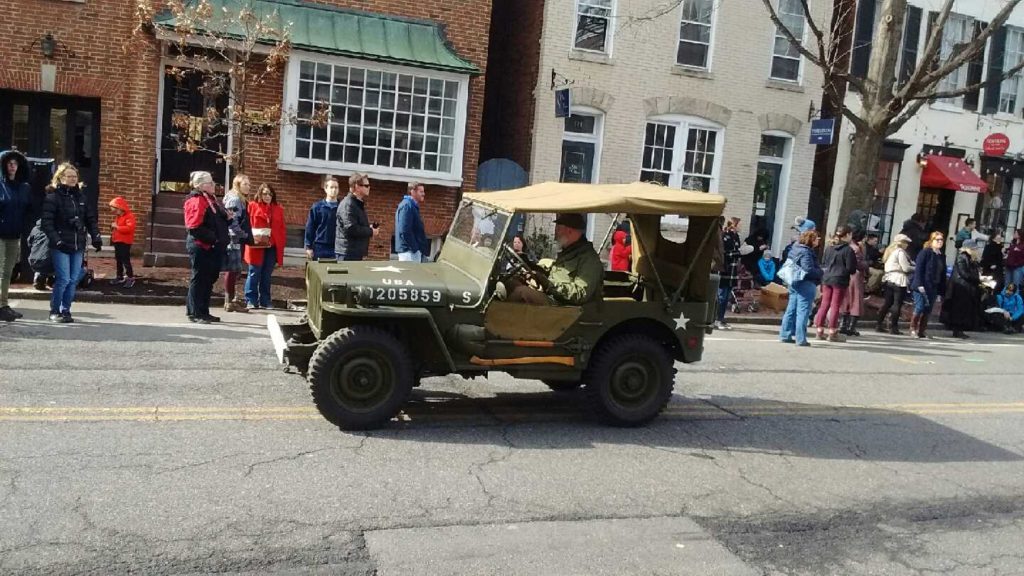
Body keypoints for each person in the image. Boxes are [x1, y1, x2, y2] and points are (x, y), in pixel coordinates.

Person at [40, 162, 101, 323]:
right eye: (69, 176)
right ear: (61, 178)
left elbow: (90, 219)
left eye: (75, 176)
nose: (73, 179)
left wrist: (96, 236)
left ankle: (66, 310)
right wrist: (57, 241)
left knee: (74, 279)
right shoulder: (53, 197)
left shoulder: (81, 197)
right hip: (61, 244)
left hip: (78, 244)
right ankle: (55, 310)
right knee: (64, 279)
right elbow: (47, 223)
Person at [506, 213, 603, 305]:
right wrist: (532, 267)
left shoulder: (589, 259)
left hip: (565, 308)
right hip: (553, 297)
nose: (555, 233)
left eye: (558, 229)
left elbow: (580, 293)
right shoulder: (569, 253)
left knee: (522, 292)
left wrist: (549, 285)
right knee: (511, 283)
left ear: (569, 231)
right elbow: (554, 274)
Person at [183, 171, 229, 324]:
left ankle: (204, 311)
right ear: (201, 185)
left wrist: (226, 219)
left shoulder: (210, 199)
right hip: (201, 246)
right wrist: (214, 239)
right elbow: (194, 227)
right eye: (210, 183)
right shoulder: (196, 200)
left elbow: (215, 221)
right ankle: (195, 312)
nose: (213, 185)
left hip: (211, 246)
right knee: (200, 278)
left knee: (208, 279)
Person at [0, 150, 31, 322]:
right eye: (9, 163)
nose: (12, 166)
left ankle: (3, 304)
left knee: (7, 271)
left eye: (15, 163)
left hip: (14, 234)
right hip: (0, 234)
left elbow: (28, 210)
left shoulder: (23, 188)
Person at [244, 183, 286, 309]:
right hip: (257, 245)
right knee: (254, 272)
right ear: (260, 194)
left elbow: (282, 229)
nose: (267, 196)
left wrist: (281, 245)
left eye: (270, 194)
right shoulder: (252, 206)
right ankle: (251, 299)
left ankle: (265, 300)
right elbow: (247, 224)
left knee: (267, 274)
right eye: (265, 193)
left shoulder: (278, 209)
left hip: (272, 245)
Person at [779, 230, 823, 346]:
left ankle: (785, 334)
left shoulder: (795, 248)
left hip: (793, 281)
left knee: (791, 309)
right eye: (817, 238)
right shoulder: (806, 252)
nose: (818, 241)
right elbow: (808, 269)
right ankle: (801, 338)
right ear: (811, 240)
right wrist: (820, 272)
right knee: (803, 311)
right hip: (805, 283)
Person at [814, 226, 857, 342]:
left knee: (824, 304)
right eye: (851, 235)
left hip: (827, 278)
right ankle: (832, 331)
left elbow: (824, 262)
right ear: (847, 235)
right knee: (835, 305)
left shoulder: (829, 248)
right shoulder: (848, 250)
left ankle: (819, 330)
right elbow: (851, 268)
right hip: (840, 279)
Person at [221, 174, 252, 310]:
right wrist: (243, 234)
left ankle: (232, 298)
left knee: (235, 270)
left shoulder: (241, 199)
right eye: (245, 184)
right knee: (232, 269)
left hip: (237, 238)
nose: (248, 187)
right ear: (238, 185)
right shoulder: (234, 199)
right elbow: (232, 222)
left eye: (249, 184)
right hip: (233, 238)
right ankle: (229, 301)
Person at [942, 238, 982, 339]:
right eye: (973, 249)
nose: (975, 251)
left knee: (964, 309)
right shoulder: (962, 257)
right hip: (960, 286)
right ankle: (957, 329)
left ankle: (960, 329)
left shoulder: (971, 259)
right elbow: (963, 273)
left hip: (967, 287)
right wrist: (978, 278)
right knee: (959, 309)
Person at [909, 232, 946, 339]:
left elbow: (942, 273)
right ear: (931, 241)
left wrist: (941, 290)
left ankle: (921, 331)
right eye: (937, 240)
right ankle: (913, 329)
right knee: (920, 307)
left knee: (928, 309)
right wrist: (919, 284)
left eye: (941, 240)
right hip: (921, 285)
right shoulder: (925, 252)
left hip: (933, 286)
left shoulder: (941, 255)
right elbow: (919, 269)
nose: (939, 242)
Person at [875, 234, 914, 334]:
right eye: (906, 242)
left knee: (887, 303)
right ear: (901, 243)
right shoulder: (900, 252)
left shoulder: (889, 251)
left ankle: (878, 323)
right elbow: (905, 268)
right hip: (898, 279)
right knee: (897, 304)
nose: (907, 245)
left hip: (889, 278)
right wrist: (915, 268)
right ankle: (894, 327)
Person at [335, 173, 378, 261]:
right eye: (366, 185)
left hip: (354, 252)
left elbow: (356, 225)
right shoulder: (348, 204)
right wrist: (370, 231)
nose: (369, 187)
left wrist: (368, 228)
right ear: (357, 187)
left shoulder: (357, 204)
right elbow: (351, 228)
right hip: (347, 253)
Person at [839, 229, 869, 336]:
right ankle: (851, 327)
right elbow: (859, 263)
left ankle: (843, 325)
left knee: (846, 299)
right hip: (855, 276)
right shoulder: (856, 249)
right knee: (856, 300)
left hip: (846, 275)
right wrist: (867, 264)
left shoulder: (848, 247)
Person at [304, 175, 340, 260]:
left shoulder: (341, 208)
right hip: (320, 246)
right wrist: (308, 247)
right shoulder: (317, 207)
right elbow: (310, 227)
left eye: (336, 187)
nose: (334, 190)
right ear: (325, 189)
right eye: (331, 187)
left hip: (336, 247)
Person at [716, 217, 743, 330]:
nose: (741, 227)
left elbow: (737, 250)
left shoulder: (736, 236)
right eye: (740, 224)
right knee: (721, 296)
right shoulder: (724, 236)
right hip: (725, 269)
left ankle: (721, 318)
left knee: (727, 296)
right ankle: (716, 319)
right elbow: (723, 253)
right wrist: (737, 253)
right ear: (734, 225)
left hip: (733, 269)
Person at [395, 181, 430, 262]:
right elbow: (404, 230)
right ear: (412, 192)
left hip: (411, 252)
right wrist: (415, 248)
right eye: (421, 191)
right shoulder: (407, 206)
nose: (423, 194)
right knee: (409, 275)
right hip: (408, 253)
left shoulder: (411, 205)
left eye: (423, 191)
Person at [108, 196, 137, 288]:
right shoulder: (119, 217)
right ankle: (119, 276)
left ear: (120, 208)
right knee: (118, 259)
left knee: (125, 260)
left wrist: (117, 227)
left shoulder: (129, 216)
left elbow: (129, 228)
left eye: (115, 209)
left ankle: (130, 277)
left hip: (125, 242)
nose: (114, 211)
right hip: (117, 241)